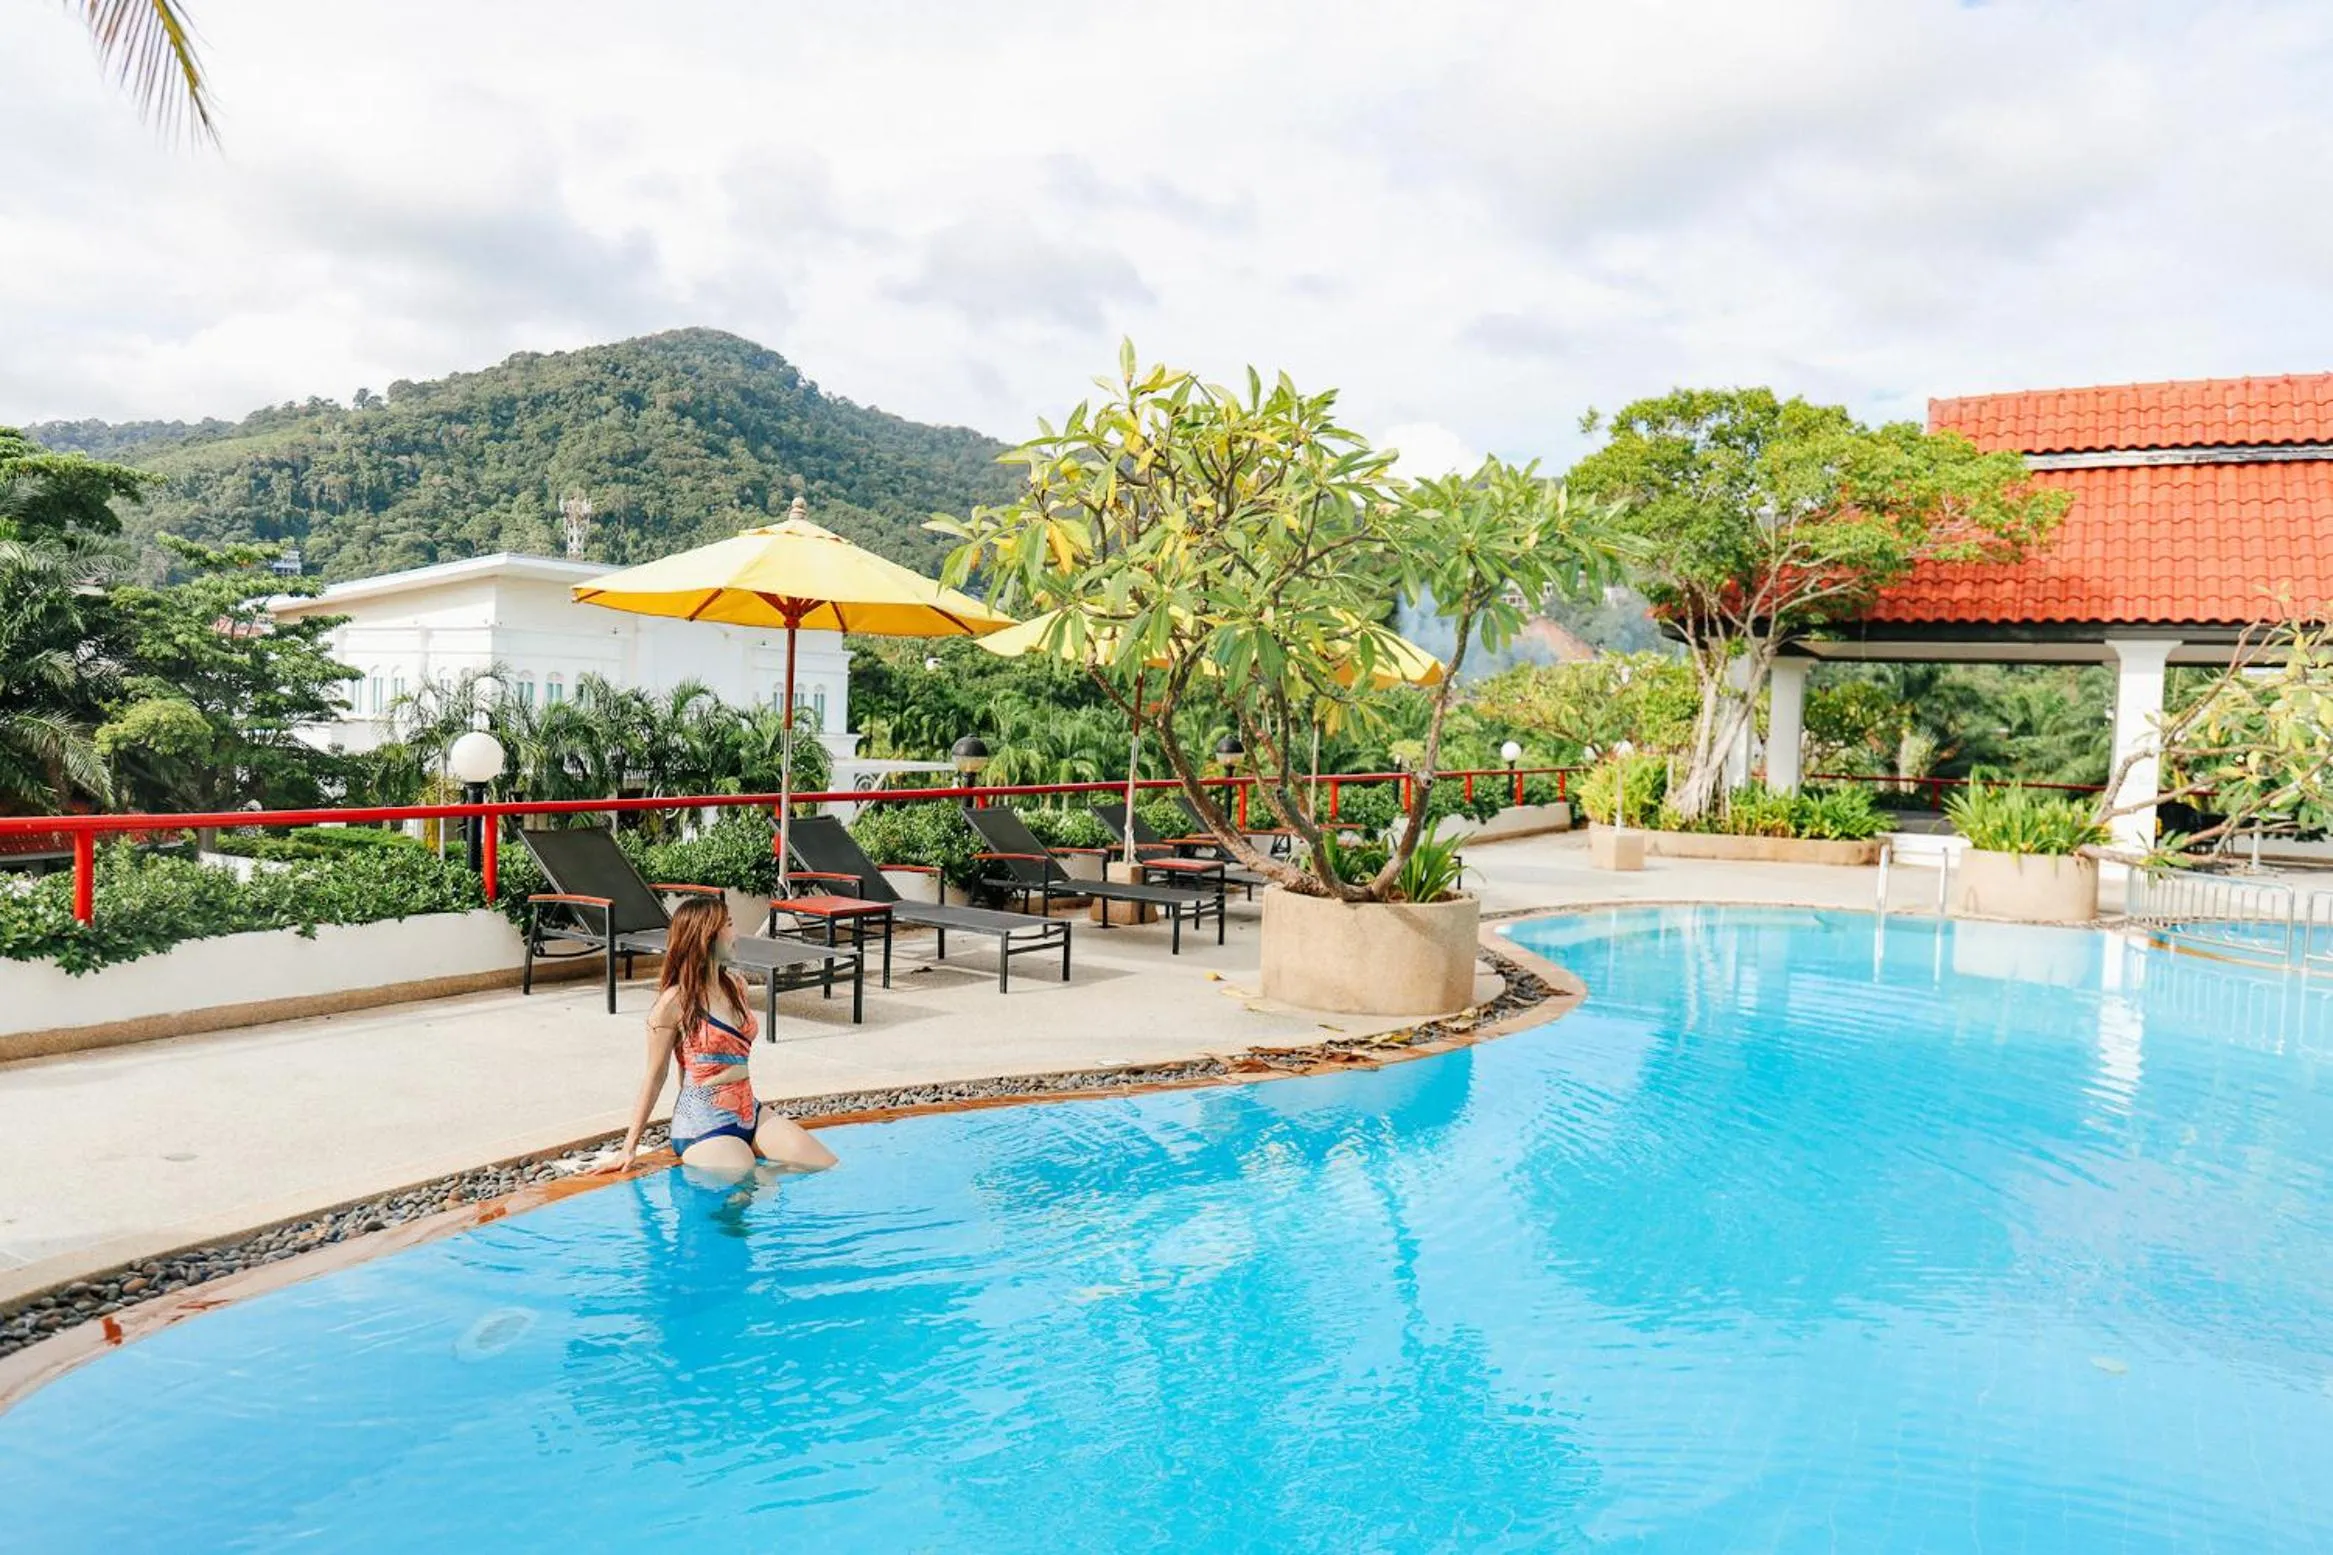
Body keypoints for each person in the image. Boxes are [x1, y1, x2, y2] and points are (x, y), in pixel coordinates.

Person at [604, 895, 838, 1177]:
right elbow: (655, 1076)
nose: (736, 933)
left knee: (822, 1164)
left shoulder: (736, 985)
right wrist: (629, 1145)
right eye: (728, 924)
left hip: (748, 1111)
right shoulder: (672, 1004)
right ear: (706, 936)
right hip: (703, 1124)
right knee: (747, 1180)